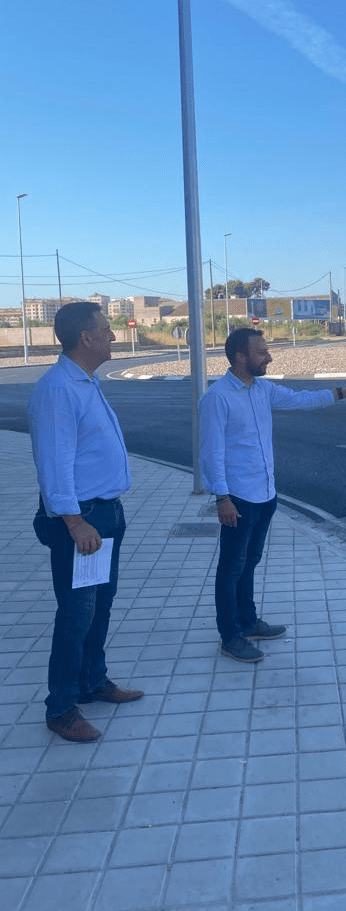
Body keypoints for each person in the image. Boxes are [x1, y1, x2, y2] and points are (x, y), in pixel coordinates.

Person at [200, 327, 346, 662]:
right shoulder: (217, 398)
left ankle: (248, 621)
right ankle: (230, 636)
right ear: (240, 357)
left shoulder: (262, 390)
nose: (269, 357)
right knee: (231, 567)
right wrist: (222, 497)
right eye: (262, 352)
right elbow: (211, 453)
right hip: (238, 498)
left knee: (250, 561)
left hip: (265, 494)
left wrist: (340, 393)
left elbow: (299, 399)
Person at [28, 302, 143, 743]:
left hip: (105, 513)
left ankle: (93, 681)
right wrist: (75, 523)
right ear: (86, 338)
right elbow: (53, 465)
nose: (113, 336)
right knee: (77, 615)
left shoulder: (85, 382)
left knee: (100, 606)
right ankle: (61, 708)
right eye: (107, 329)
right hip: (83, 520)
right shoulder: (59, 389)